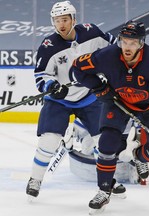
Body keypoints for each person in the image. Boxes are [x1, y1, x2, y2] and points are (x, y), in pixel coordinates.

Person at [70, 20, 149, 213]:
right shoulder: (108, 55)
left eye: (133, 42)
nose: (127, 47)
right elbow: (78, 67)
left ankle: (136, 154)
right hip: (118, 102)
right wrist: (99, 87)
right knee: (107, 144)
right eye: (124, 41)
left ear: (141, 43)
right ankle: (103, 190)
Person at [26, 1, 126, 201]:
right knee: (49, 140)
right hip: (59, 101)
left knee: (103, 142)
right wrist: (51, 87)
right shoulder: (49, 46)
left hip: (90, 96)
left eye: (65, 19)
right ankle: (35, 179)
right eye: (57, 20)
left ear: (74, 19)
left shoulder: (92, 33)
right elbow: (41, 75)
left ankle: (109, 181)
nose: (61, 24)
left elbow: (116, 47)